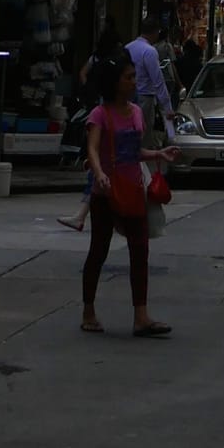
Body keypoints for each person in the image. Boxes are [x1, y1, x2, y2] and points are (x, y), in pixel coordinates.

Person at [81, 52, 176, 338]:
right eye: (129, 77)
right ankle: (88, 311)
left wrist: (158, 152)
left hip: (133, 188)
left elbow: (135, 152)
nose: (134, 82)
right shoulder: (100, 114)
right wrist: (99, 173)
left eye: (134, 76)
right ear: (115, 82)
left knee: (140, 252)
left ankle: (141, 316)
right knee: (98, 251)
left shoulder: (135, 112)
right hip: (106, 193)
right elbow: (93, 149)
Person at [127, 10, 175, 146]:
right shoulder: (149, 51)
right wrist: (167, 107)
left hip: (127, 97)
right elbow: (158, 81)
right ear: (155, 32)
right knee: (143, 136)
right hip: (144, 98)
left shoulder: (128, 47)